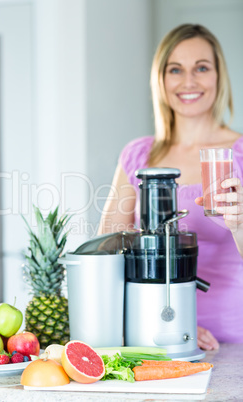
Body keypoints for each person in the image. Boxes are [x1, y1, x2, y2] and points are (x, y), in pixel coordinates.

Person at [97, 24, 243, 350]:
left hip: (233, 339)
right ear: (161, 80)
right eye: (175, 69)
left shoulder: (239, 154)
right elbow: (106, 252)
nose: (188, 81)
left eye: (201, 68)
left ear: (219, 76)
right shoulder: (138, 155)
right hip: (153, 337)